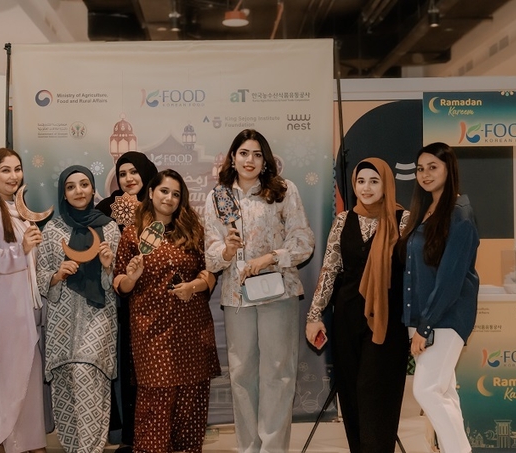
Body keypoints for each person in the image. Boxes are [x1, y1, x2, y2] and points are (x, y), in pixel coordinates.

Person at [204, 129, 314, 453]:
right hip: (237, 296)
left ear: (265, 160)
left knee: (278, 372)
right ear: (233, 157)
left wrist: (272, 257)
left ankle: (273, 449)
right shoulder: (219, 197)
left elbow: (303, 240)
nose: (249, 160)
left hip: (278, 291)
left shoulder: (283, 191)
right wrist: (226, 251)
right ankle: (248, 448)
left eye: (256, 154)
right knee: (241, 374)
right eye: (243, 153)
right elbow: (210, 253)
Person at [305, 157, 410, 453]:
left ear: (386, 184)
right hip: (347, 318)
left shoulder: (403, 220)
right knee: (351, 393)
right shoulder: (343, 220)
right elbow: (329, 270)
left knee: (376, 392)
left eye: (374, 181)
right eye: (361, 181)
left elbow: (414, 274)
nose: (366, 188)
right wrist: (314, 315)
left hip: (387, 321)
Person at [114, 169, 220, 453]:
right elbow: (120, 284)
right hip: (152, 332)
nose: (169, 198)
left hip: (192, 330)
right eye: (164, 191)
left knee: (191, 404)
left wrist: (194, 286)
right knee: (155, 408)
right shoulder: (132, 234)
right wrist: (132, 277)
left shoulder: (193, 231)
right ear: (151, 193)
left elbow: (210, 273)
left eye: (176, 194)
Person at [400, 142, 478, 453]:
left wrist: (426, 325)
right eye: (421, 168)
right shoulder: (424, 211)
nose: (425, 174)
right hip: (423, 317)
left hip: (444, 318)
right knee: (444, 393)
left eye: (433, 167)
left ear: (449, 169)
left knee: (427, 390)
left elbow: (450, 279)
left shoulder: (460, 214)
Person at [36, 165, 120, 453]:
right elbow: (41, 274)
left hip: (98, 316)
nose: (78, 191)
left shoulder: (109, 228)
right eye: (70, 187)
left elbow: (117, 282)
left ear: (93, 188)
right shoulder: (53, 230)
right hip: (62, 318)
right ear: (63, 193)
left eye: (84, 184)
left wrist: (108, 266)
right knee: (65, 380)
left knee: (87, 374)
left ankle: (91, 448)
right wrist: (57, 274)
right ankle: (74, 448)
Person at [0, 148, 47, 453]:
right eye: (5, 170)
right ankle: (1, 442)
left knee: (27, 380)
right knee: (5, 382)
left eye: (17, 169)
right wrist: (21, 249)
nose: (13, 176)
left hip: (25, 312)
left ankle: (31, 443)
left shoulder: (20, 212)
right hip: (3, 313)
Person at [95, 151, 158, 453]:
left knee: (153, 367)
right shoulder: (106, 209)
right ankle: (127, 433)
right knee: (123, 367)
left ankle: (155, 430)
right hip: (119, 301)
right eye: (122, 174)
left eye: (134, 172)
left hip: (154, 300)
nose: (129, 179)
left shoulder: (159, 205)